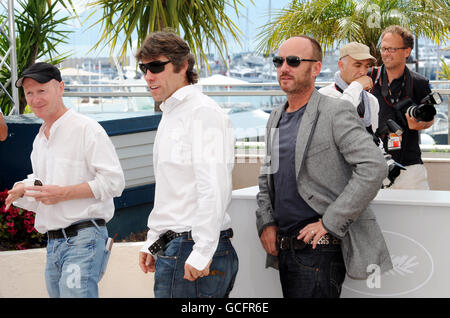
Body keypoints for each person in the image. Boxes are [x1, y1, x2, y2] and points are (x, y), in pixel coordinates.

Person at [256, 35, 392, 298]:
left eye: (294, 61)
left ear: (315, 68)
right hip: (284, 250)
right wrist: (266, 222)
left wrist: (330, 222)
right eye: (279, 61)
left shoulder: (335, 111)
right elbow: (267, 175)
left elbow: (373, 166)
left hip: (318, 253)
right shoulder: (275, 116)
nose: (284, 67)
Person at [5, 62, 125, 298]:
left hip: (84, 237)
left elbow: (114, 182)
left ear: (60, 88)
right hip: (54, 242)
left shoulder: (86, 129)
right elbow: (45, 188)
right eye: (29, 93)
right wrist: (22, 189)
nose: (35, 98)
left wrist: (63, 193)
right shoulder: (39, 140)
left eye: (42, 90)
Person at [137, 31, 238, 298]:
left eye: (156, 66)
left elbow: (214, 186)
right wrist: (154, 244)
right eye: (144, 68)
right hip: (178, 247)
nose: (148, 75)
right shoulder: (172, 113)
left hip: (192, 248)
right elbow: (174, 192)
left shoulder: (201, 112)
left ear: (182, 66)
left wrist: (203, 251)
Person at [369, 25, 434, 189]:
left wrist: (421, 124)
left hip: (410, 167)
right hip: (373, 166)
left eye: (391, 49)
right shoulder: (369, 78)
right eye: (384, 48)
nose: (385, 53)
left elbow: (429, 118)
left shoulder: (420, 83)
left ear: (407, 51)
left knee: (420, 214)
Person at [319, 42, 379, 133]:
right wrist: (357, 85)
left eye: (367, 66)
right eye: (357, 65)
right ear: (341, 65)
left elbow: (373, 135)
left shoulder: (371, 100)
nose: (363, 72)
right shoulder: (323, 95)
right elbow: (339, 118)